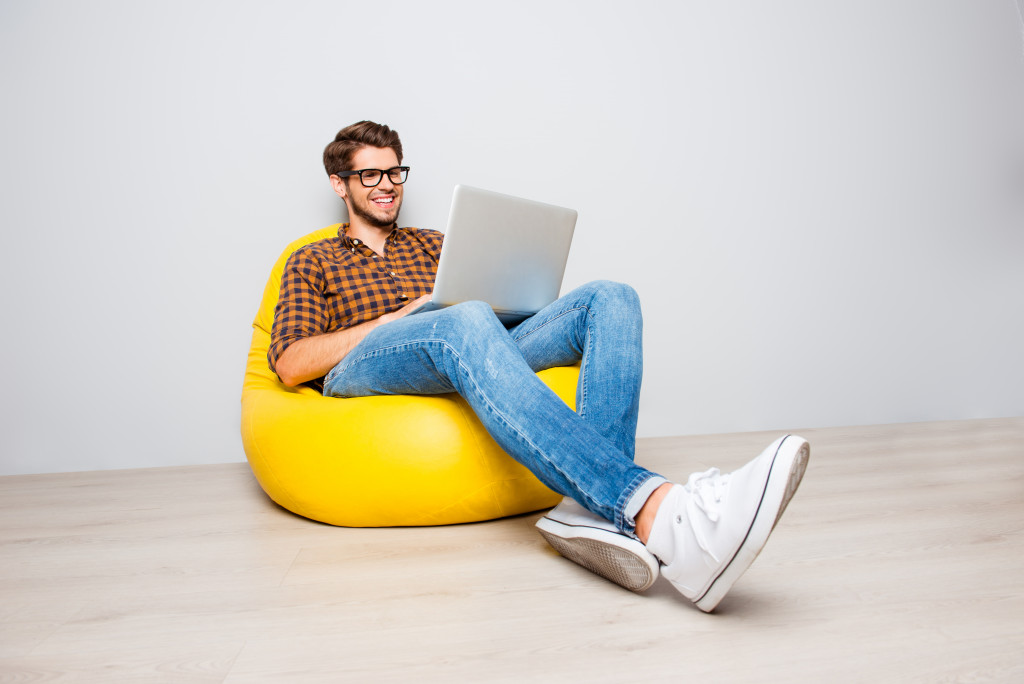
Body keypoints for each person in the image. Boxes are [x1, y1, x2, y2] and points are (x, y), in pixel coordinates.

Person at [269, 120, 810, 612]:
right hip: (366, 368)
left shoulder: (437, 244)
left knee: (610, 297)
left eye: (395, 171)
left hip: (469, 345)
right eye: (370, 175)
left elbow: (491, 311)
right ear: (339, 185)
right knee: (464, 318)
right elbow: (291, 363)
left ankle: (591, 514)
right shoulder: (313, 258)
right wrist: (393, 320)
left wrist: (510, 303)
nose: (386, 184)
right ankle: (659, 513)